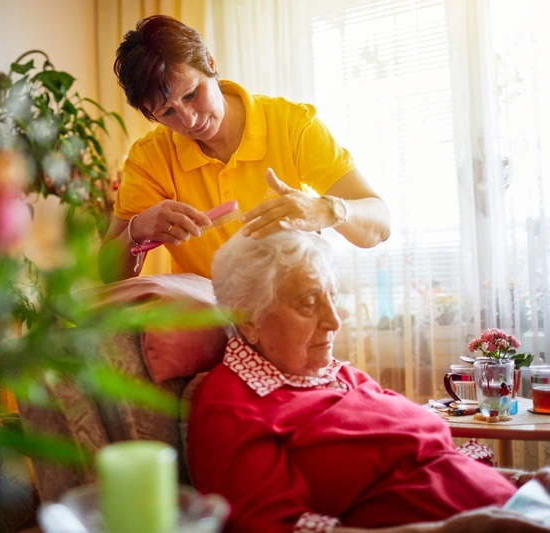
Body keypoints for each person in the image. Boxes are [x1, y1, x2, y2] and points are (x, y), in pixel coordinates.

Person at [187, 229, 550, 532]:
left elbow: (433, 463)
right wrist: (455, 530)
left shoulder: (341, 375)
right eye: (309, 303)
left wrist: (524, 480)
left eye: (333, 296)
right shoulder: (232, 406)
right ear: (249, 319)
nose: (334, 321)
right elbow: (280, 528)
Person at [99, 15, 390, 283]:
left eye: (191, 94)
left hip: (289, 312)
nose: (189, 119)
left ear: (210, 64)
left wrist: (328, 209)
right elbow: (109, 276)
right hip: (206, 324)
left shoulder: (291, 124)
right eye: (167, 113)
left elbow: (379, 224)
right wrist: (136, 231)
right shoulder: (151, 157)